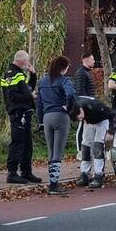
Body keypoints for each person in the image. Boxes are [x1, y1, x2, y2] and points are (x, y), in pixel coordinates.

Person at [36, 55, 76, 195]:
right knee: (58, 152)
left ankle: (52, 182)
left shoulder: (42, 81)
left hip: (46, 117)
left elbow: (39, 104)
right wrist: (68, 108)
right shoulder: (64, 80)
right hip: (60, 115)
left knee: (51, 150)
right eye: (67, 67)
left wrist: (40, 121)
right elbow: (71, 95)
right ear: (63, 68)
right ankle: (54, 185)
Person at [0, 50, 41, 185]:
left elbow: (28, 88)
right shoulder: (12, 74)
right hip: (18, 113)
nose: (28, 63)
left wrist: (33, 74)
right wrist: (30, 96)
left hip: (24, 112)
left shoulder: (19, 74)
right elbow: (13, 96)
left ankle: (26, 171)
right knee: (17, 143)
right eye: (26, 60)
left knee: (27, 144)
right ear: (20, 60)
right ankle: (12, 173)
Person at [70, 96, 114, 188]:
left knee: (97, 147)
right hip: (89, 122)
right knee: (85, 147)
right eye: (78, 119)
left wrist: (110, 131)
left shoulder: (95, 106)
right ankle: (85, 173)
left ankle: (98, 175)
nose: (80, 119)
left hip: (102, 121)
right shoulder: (74, 104)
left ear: (81, 109)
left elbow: (112, 114)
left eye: (80, 116)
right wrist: (84, 119)